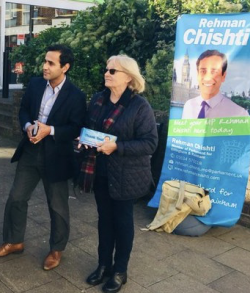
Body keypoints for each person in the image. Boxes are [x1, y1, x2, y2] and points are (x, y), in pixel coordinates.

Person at [0, 44, 86, 271]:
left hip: (56, 156)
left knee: (58, 206)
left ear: (65, 67)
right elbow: (23, 110)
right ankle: (14, 241)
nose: (45, 66)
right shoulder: (34, 85)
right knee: (16, 197)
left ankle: (56, 249)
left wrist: (49, 130)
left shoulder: (76, 96)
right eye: (45, 61)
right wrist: (28, 126)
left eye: (51, 63)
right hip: (31, 151)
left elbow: (75, 127)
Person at [78, 55, 158, 293]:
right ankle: (103, 265)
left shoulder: (139, 106)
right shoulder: (98, 99)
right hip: (100, 171)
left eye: (113, 70)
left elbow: (150, 143)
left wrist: (118, 147)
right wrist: (84, 140)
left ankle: (120, 271)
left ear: (128, 77)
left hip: (127, 175)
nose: (107, 73)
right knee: (104, 220)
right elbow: (91, 129)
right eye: (107, 69)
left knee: (122, 223)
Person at [182, 50, 249, 119]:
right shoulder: (188, 106)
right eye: (203, 71)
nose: (208, 78)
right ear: (197, 74)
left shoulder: (240, 114)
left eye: (214, 72)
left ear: (223, 76)